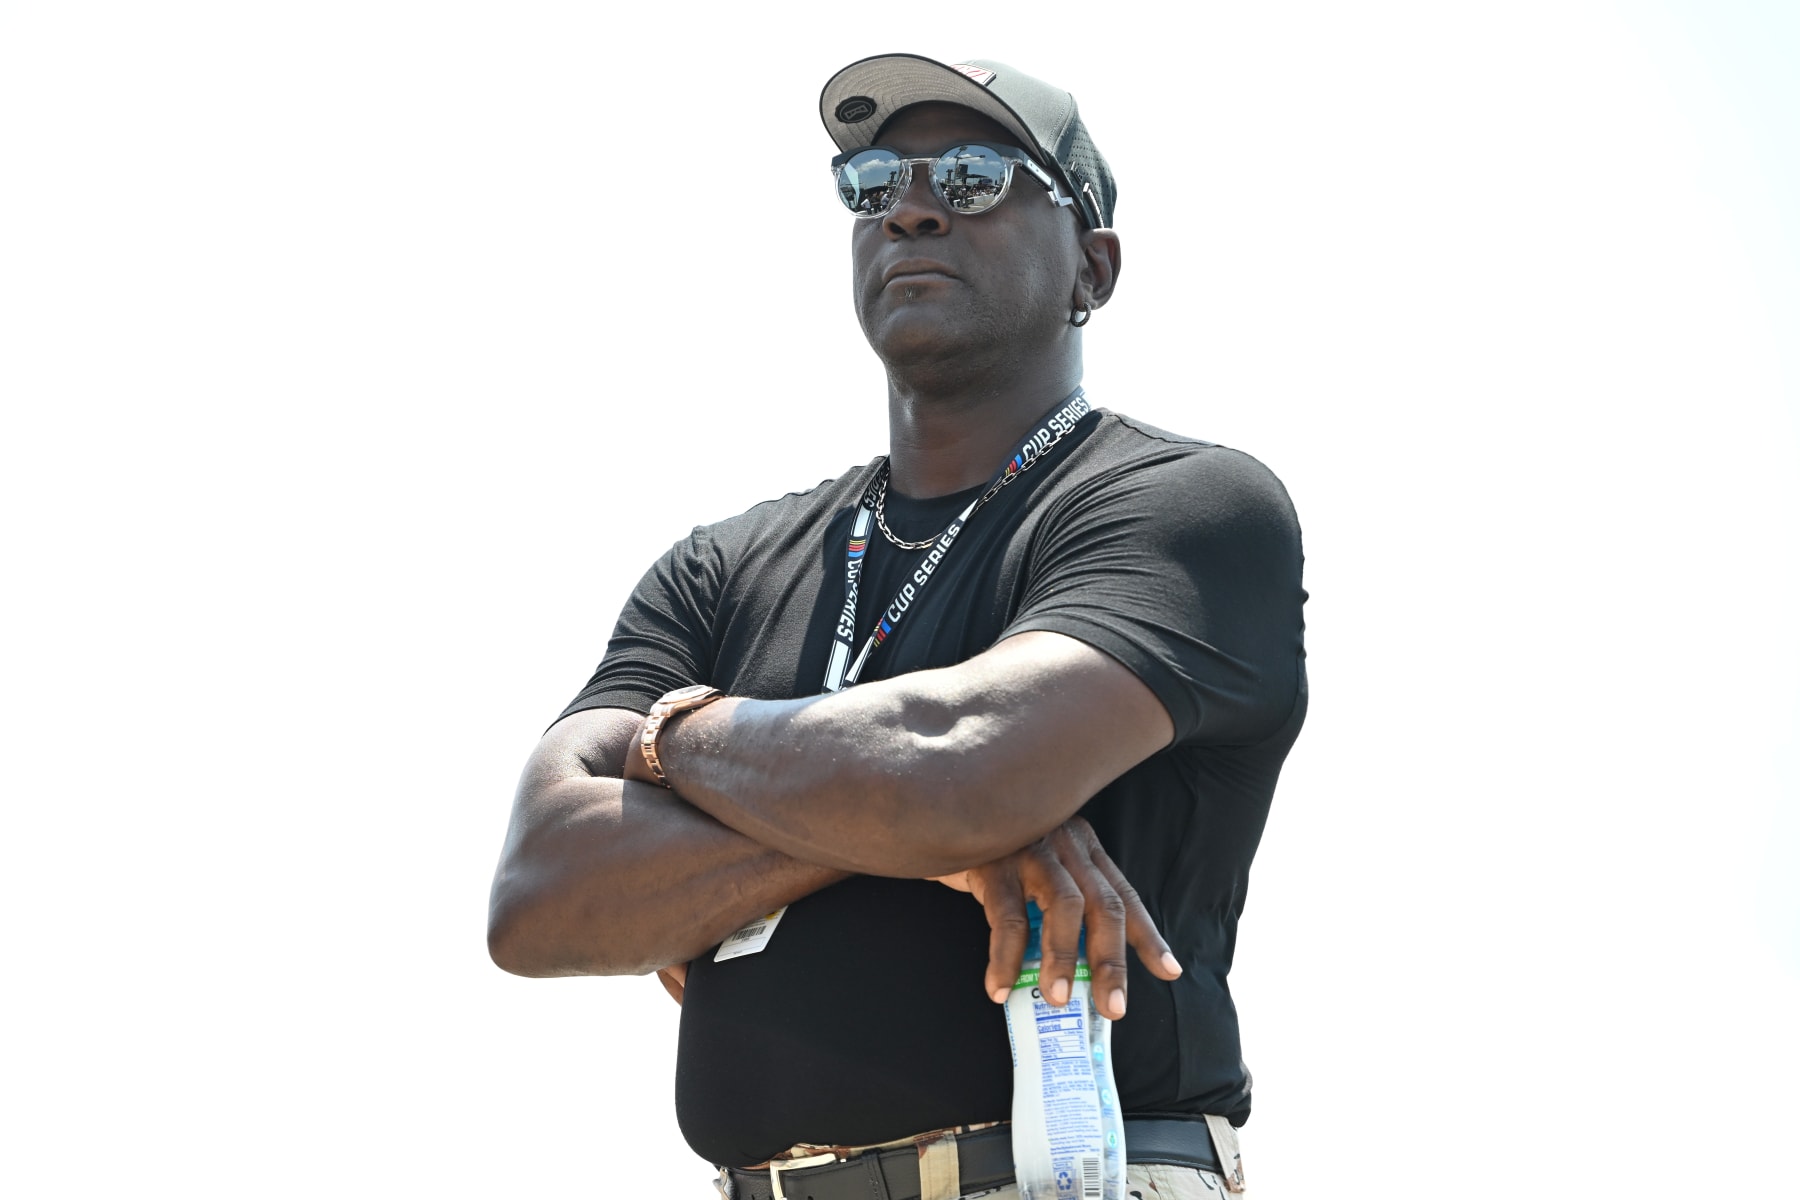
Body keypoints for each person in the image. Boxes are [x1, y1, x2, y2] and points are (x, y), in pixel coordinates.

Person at [488, 52, 1307, 1200]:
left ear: (1094, 265)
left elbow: (962, 769)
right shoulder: (721, 569)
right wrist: (932, 828)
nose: (911, 207)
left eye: (975, 176)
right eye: (873, 183)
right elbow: (539, 895)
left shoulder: (1185, 508)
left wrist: (675, 741)